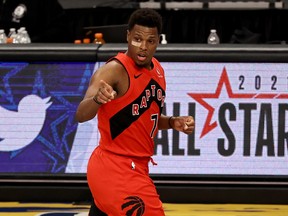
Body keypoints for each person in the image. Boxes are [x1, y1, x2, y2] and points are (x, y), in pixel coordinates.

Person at [75, 8, 195, 216]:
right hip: (114, 167)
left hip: (136, 167)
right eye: (137, 39)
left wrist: (173, 122)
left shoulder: (157, 69)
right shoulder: (114, 70)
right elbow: (81, 114)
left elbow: (145, 119)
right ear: (128, 36)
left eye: (150, 41)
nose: (143, 47)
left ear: (158, 41)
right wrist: (96, 99)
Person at [0, 0, 72, 42]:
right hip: (7, 52)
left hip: (34, 54)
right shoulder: (8, 2)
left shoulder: (46, 3)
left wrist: (32, 40)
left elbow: (59, 30)